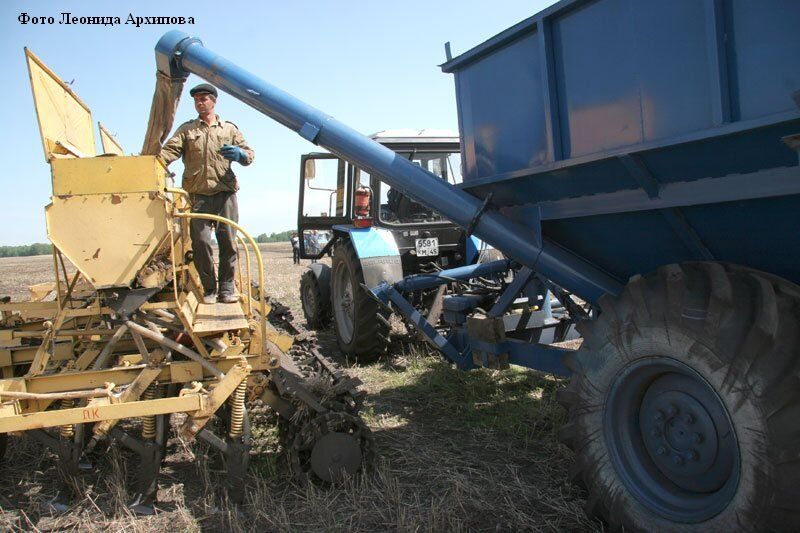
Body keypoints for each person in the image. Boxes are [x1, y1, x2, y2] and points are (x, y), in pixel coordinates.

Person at [159, 83, 254, 304]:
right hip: (198, 195)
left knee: (228, 242)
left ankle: (226, 290)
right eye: (196, 100)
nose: (200, 102)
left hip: (225, 194)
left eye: (204, 98)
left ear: (214, 101)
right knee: (200, 243)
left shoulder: (229, 129)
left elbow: (249, 155)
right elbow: (169, 151)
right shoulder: (188, 130)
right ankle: (210, 290)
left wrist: (240, 154)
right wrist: (155, 162)